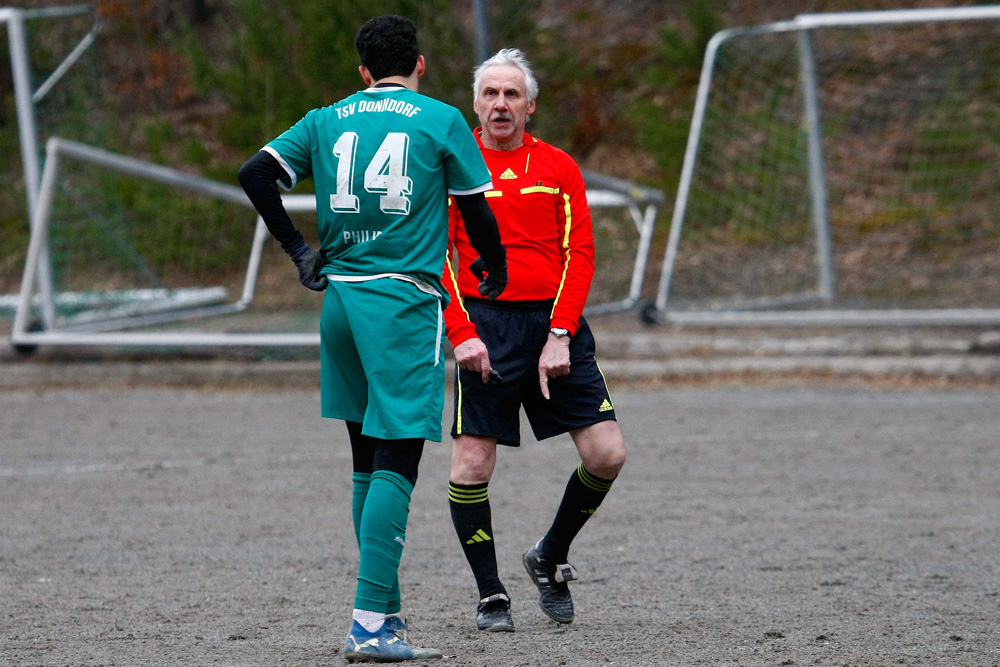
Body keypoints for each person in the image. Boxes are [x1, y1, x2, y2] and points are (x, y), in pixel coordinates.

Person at [238, 15, 508, 662]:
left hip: (341, 301)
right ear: (420, 62)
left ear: (363, 71)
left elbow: (255, 173)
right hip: (401, 302)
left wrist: (298, 249)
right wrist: (492, 267)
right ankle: (368, 625)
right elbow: (475, 206)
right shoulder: (439, 118)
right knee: (400, 458)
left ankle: (382, 608)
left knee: (365, 457)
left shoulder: (326, 117)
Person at [442, 48, 626, 633]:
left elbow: (581, 253)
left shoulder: (558, 167)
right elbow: (435, 258)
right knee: (471, 465)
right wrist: (463, 333)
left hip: (554, 326)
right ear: (475, 104)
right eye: (491, 93)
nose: (501, 104)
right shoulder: (452, 166)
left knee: (607, 454)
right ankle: (491, 594)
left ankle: (548, 556)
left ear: (530, 105)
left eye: (512, 94)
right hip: (486, 330)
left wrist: (560, 333)